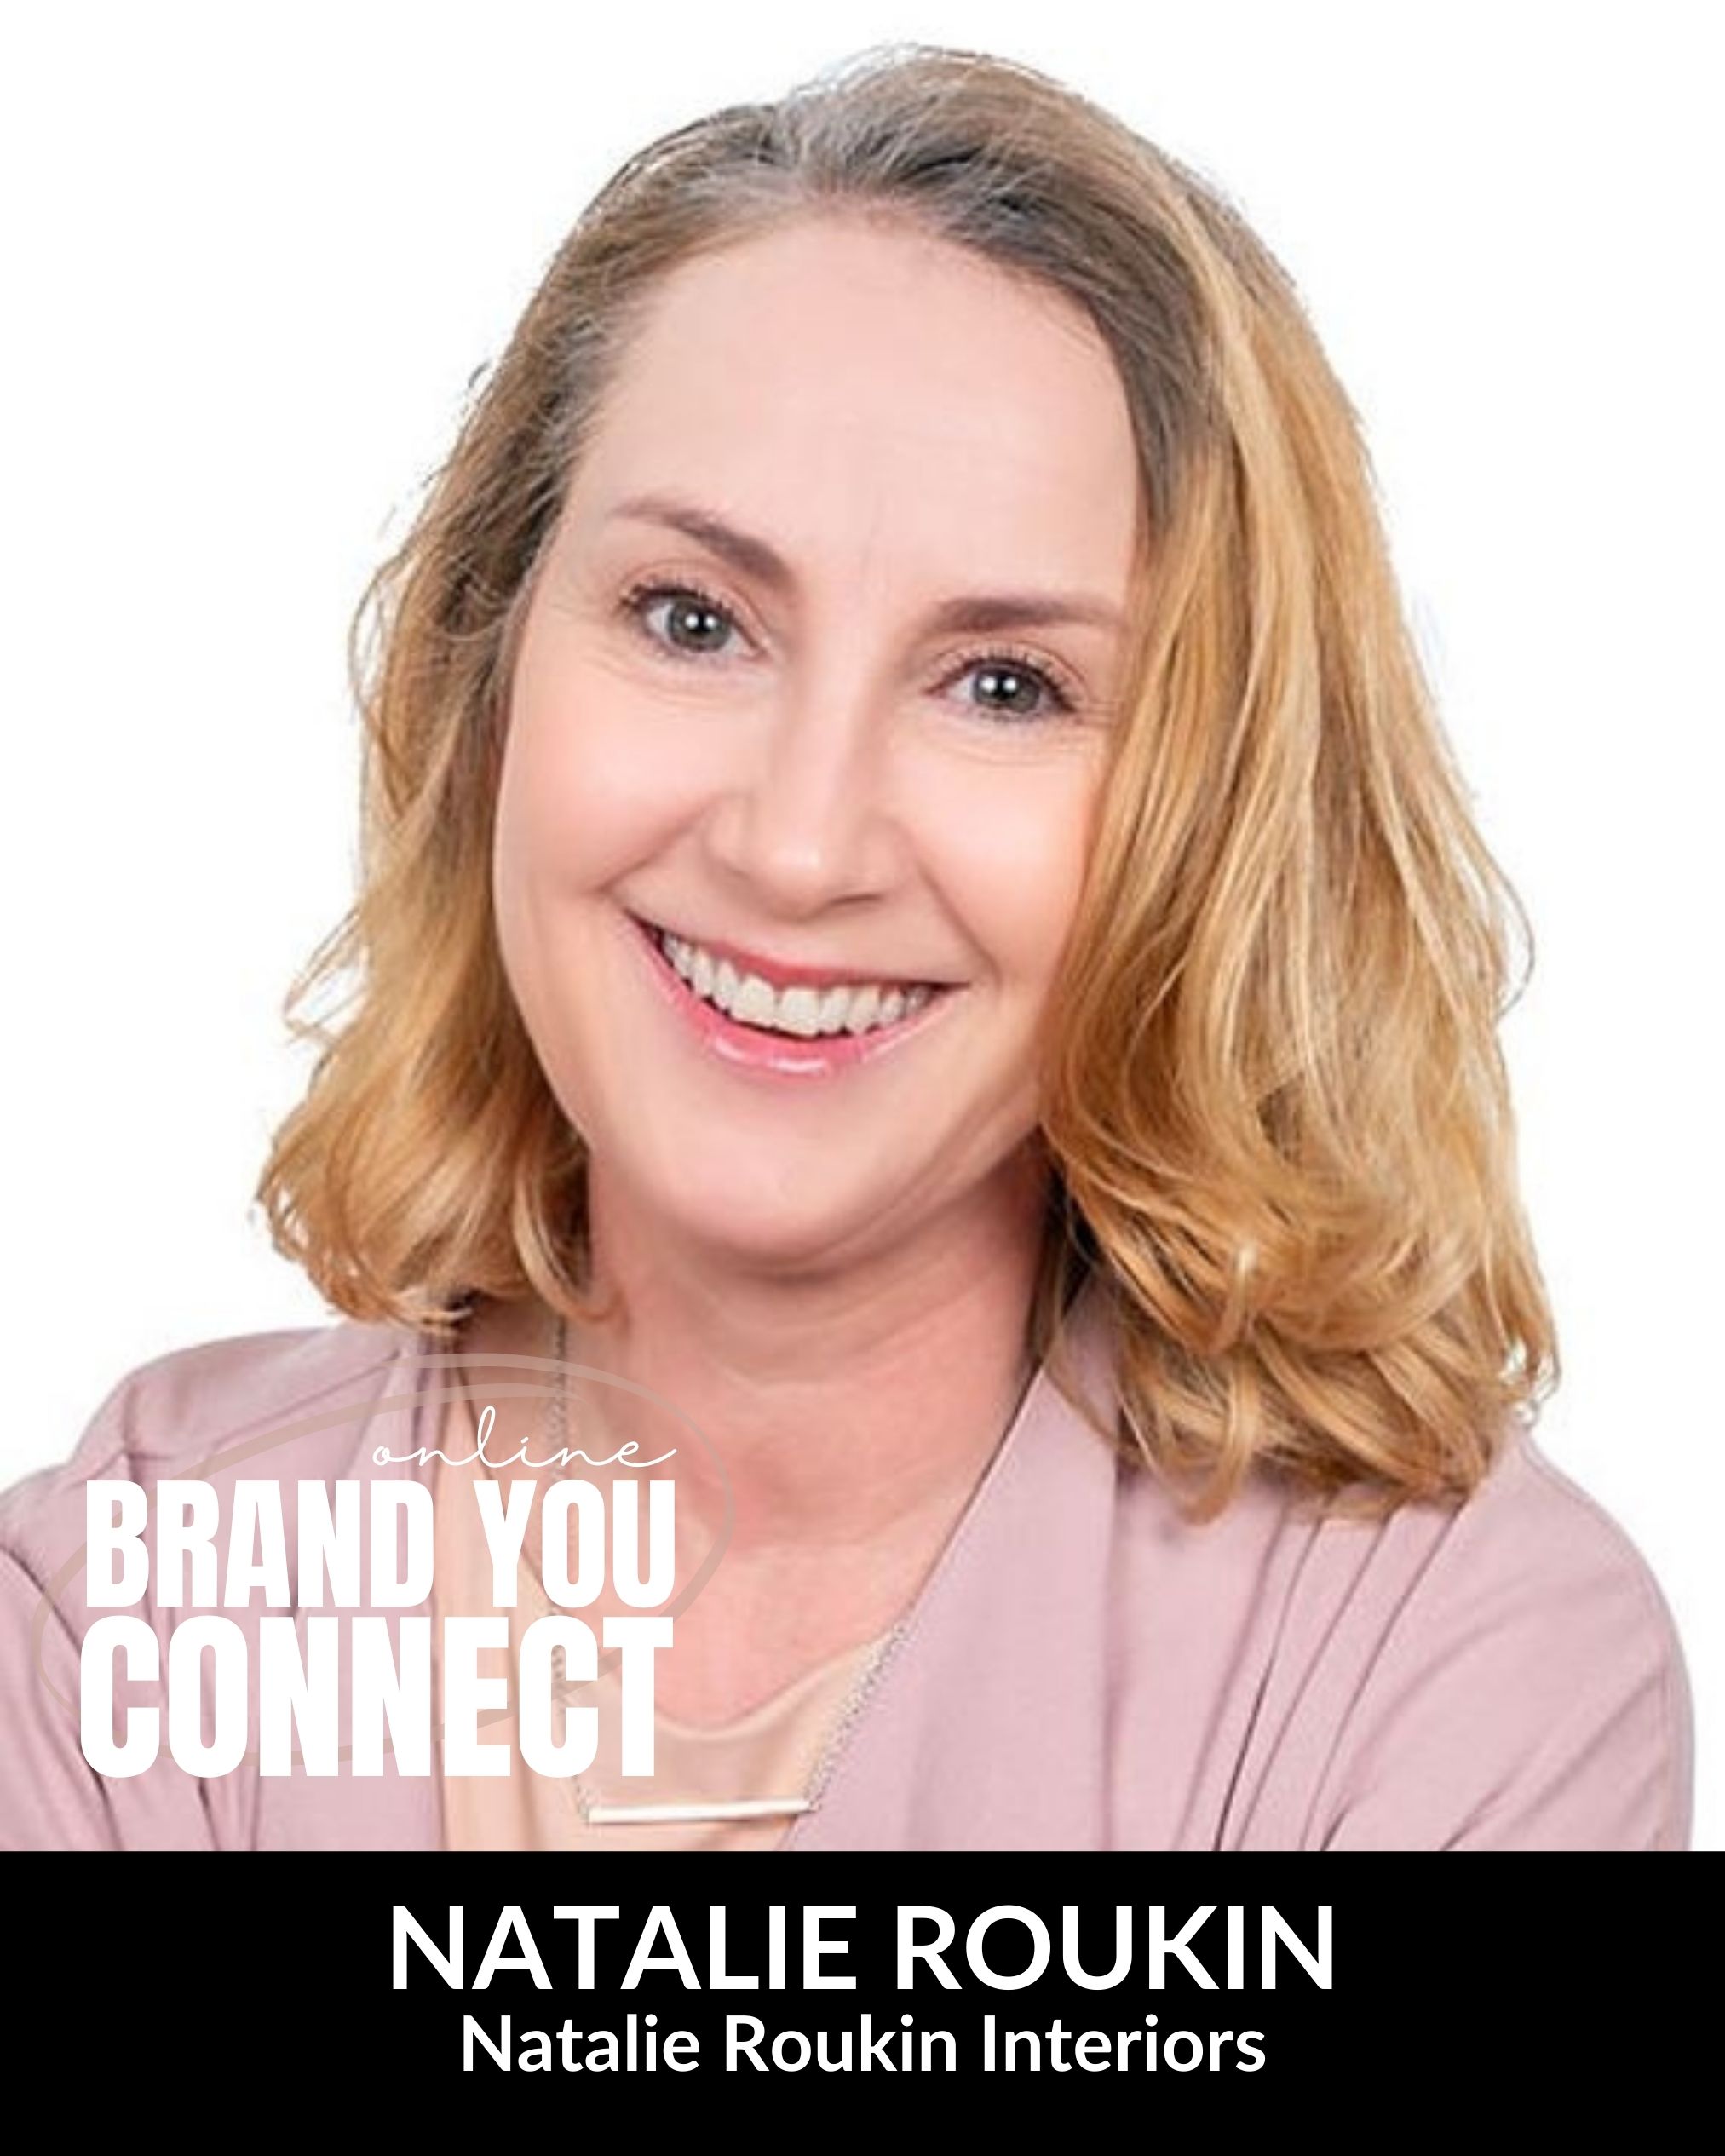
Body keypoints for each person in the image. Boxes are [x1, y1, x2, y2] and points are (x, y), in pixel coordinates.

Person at [0, 43, 1692, 1851]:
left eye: (1002, 686)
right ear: (485, 679)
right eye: (691, 619)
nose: (798, 847)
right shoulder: (131, 1600)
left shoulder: (1454, 1669)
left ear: (1211, 825)